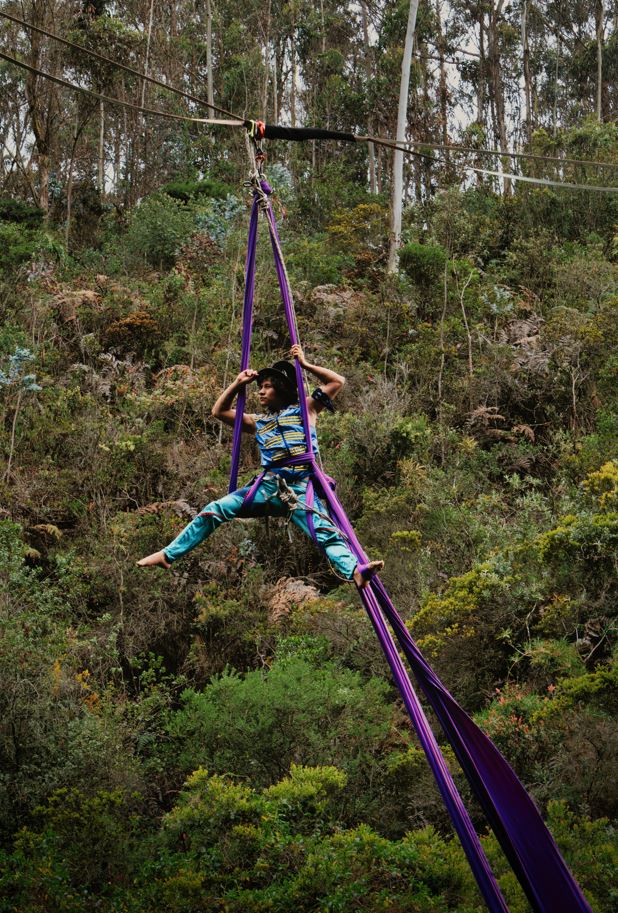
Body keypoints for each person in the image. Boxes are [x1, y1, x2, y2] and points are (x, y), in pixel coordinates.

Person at [137, 344, 383, 588]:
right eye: (260, 387)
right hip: (267, 488)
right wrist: (237, 384)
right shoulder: (258, 421)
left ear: (282, 389)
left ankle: (354, 571)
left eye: (267, 387)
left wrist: (305, 365)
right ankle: (168, 555)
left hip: (298, 490)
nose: (261, 392)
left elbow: (336, 381)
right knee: (214, 509)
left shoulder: (306, 409)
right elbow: (218, 411)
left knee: (325, 532)